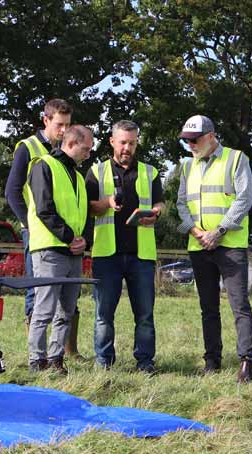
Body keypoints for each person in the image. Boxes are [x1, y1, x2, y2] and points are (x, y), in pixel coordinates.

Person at [175, 115, 252, 383]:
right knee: (207, 307)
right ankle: (212, 361)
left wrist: (219, 231)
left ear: (211, 136)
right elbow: (180, 204)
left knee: (239, 305)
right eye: (186, 141)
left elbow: (244, 200)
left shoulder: (235, 159)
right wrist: (195, 231)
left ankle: (247, 361)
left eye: (195, 140)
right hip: (199, 245)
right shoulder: (187, 166)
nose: (190, 145)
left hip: (230, 245)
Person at [4, 99, 85, 359]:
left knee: (67, 300)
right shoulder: (29, 148)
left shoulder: (68, 160)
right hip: (41, 233)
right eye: (59, 125)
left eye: (68, 125)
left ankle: (63, 351)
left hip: (65, 238)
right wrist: (28, 223)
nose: (63, 130)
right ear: (46, 121)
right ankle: (36, 355)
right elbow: (12, 191)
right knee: (39, 296)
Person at [85, 120, 164, 374]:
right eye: (122, 142)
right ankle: (104, 363)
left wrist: (156, 214)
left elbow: (160, 203)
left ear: (137, 142)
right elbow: (88, 207)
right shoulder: (96, 172)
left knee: (144, 315)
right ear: (111, 141)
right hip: (107, 254)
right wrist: (106, 202)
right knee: (103, 314)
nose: (127, 147)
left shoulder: (150, 172)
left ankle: (145, 363)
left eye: (131, 142)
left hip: (141, 254)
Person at [23, 125, 92, 374]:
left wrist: (84, 239)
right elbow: (44, 208)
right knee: (44, 308)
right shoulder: (43, 165)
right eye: (86, 148)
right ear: (72, 144)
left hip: (73, 251)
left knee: (67, 309)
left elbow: (83, 213)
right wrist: (69, 237)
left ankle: (56, 359)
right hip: (50, 248)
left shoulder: (77, 175)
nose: (89, 154)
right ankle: (37, 361)